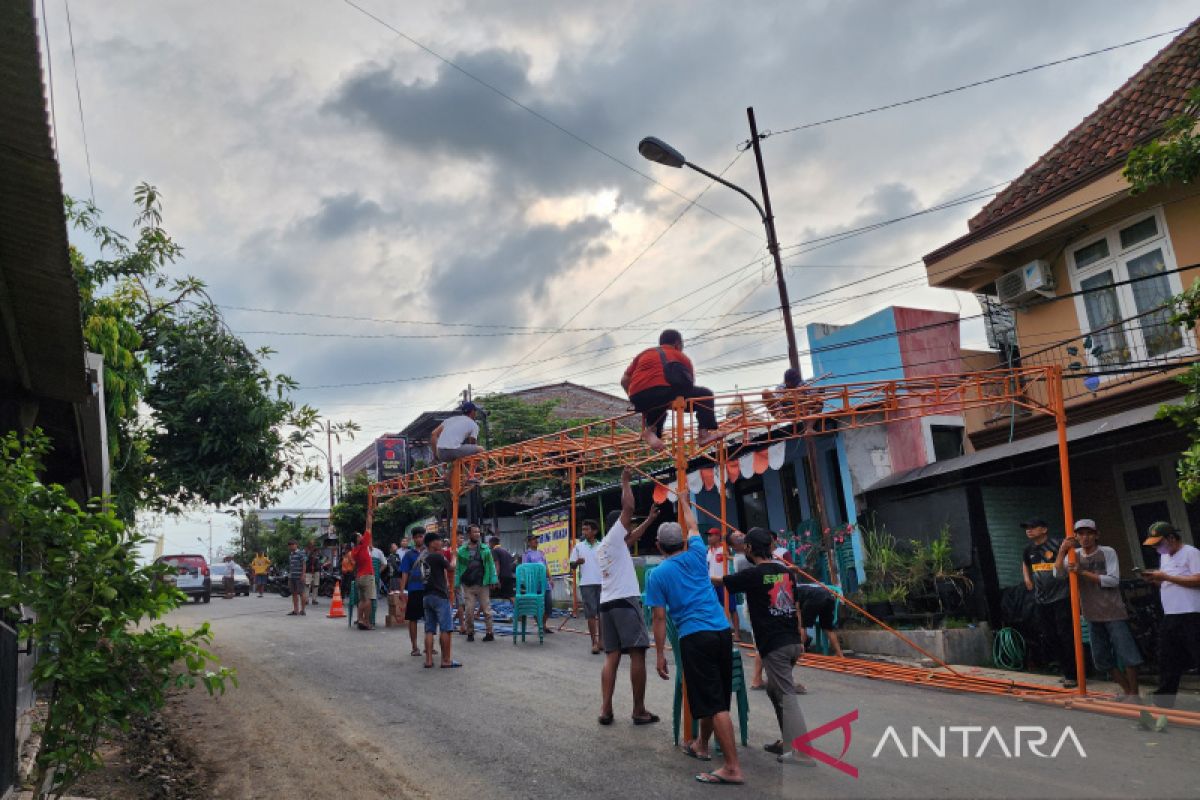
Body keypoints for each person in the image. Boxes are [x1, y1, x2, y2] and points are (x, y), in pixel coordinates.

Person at [646, 502, 743, 785]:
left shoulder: (658, 575)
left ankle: (732, 767)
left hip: (695, 636)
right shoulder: (698, 553)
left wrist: (661, 654)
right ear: (683, 542)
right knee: (717, 696)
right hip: (722, 631)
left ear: (659, 545)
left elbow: (660, 618)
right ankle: (701, 744)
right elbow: (692, 525)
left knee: (713, 702)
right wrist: (685, 501)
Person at [716, 527, 814, 766]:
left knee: (786, 695)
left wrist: (694, 572)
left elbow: (721, 581)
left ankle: (802, 752)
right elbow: (794, 602)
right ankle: (788, 741)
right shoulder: (787, 573)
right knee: (773, 689)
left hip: (775, 645)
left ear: (749, 548)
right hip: (791, 642)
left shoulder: (753, 575)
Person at [597, 467, 661, 726]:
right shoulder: (614, 536)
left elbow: (634, 535)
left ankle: (605, 709)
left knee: (612, 655)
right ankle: (638, 710)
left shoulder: (608, 546)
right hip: (624, 601)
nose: (630, 527)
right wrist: (625, 481)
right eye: (627, 525)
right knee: (637, 654)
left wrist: (649, 521)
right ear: (618, 526)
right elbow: (629, 508)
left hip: (607, 604)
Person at [1051, 519, 1142, 700]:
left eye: (1089, 533)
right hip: (1091, 614)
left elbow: (1113, 580)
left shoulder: (1107, 552)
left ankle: (1134, 693)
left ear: (1096, 535)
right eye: (1081, 534)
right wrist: (1062, 551)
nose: (1085, 537)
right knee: (1101, 659)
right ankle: (1126, 690)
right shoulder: (1074, 554)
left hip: (1113, 611)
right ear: (1075, 536)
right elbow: (1058, 574)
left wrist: (1082, 572)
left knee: (1128, 655)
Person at [620, 329, 722, 452]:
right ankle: (704, 435)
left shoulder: (644, 354)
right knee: (705, 395)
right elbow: (688, 385)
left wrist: (635, 399)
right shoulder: (681, 356)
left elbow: (624, 380)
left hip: (637, 396)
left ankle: (651, 431)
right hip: (664, 392)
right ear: (677, 344)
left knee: (658, 405)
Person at [1141, 522, 1200, 707]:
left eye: (1159, 543)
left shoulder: (1191, 552)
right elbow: (1169, 581)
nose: (1157, 548)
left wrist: (1166, 577)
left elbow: (1198, 579)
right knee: (1167, 659)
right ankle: (1163, 702)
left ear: (1171, 538)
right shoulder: (1165, 557)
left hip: (1191, 613)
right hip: (1171, 614)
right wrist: (1156, 579)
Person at [1020, 518, 1077, 688]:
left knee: (1065, 635)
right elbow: (1025, 563)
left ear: (1044, 529)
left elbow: (1071, 556)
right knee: (1050, 636)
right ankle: (1065, 670)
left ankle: (1074, 673)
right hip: (1041, 600)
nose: (1029, 530)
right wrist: (1027, 579)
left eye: (1032, 527)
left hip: (1061, 597)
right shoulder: (1028, 549)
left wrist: (1068, 545)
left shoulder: (1058, 543)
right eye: (1027, 528)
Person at [421, 532, 461, 669]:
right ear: (432, 543)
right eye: (438, 541)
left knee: (429, 629)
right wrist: (454, 557)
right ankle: (446, 660)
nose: (440, 543)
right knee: (446, 628)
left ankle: (428, 660)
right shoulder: (437, 556)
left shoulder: (424, 558)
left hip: (426, 596)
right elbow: (451, 567)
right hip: (439, 596)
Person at [456, 524, 498, 642]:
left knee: (487, 610)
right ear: (469, 534)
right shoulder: (461, 550)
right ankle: (470, 632)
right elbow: (458, 568)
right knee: (469, 610)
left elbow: (491, 565)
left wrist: (493, 579)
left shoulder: (485, 549)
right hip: (468, 585)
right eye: (474, 532)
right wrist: (456, 583)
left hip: (483, 584)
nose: (477, 534)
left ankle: (490, 633)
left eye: (478, 532)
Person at [570, 518, 604, 654]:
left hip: (602, 583)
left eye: (587, 529)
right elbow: (572, 566)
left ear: (594, 531)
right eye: (583, 529)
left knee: (602, 614)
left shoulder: (602, 545)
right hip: (586, 584)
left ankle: (602, 641)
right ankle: (594, 642)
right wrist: (577, 562)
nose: (584, 532)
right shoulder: (578, 547)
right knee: (591, 614)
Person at [707, 527, 740, 640]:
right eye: (708, 535)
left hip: (724, 582)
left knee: (732, 609)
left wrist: (726, 555)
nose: (709, 538)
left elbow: (732, 557)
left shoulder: (724, 548)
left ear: (717, 536)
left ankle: (737, 633)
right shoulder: (708, 550)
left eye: (711, 535)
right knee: (713, 608)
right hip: (712, 583)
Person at [399, 528, 428, 657]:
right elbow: (404, 573)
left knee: (430, 618)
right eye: (416, 537)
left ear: (424, 537)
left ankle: (429, 646)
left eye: (421, 536)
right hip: (414, 589)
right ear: (413, 539)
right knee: (413, 619)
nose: (418, 539)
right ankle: (414, 647)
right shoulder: (408, 555)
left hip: (428, 589)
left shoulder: (430, 552)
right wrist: (401, 591)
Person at [431, 402, 484, 467]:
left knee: (458, 458)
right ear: (472, 412)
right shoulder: (473, 424)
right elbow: (472, 443)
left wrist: (435, 455)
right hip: (453, 450)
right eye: (475, 411)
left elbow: (434, 434)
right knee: (480, 449)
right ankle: (471, 475)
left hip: (441, 453)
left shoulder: (450, 420)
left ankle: (450, 475)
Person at [522, 534, 554, 633]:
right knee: (536, 606)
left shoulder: (541, 553)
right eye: (533, 539)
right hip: (533, 584)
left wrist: (550, 578)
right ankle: (542, 626)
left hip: (544, 582)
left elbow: (545, 566)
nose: (536, 541)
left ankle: (542, 624)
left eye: (536, 539)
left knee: (549, 606)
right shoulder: (527, 554)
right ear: (529, 542)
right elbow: (525, 569)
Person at [351, 531, 376, 630]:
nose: (361, 536)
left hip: (359, 577)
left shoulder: (354, 551)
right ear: (357, 539)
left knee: (362, 600)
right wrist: (369, 515)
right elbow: (369, 528)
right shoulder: (363, 544)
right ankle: (366, 622)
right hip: (367, 576)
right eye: (359, 535)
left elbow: (355, 565)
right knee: (368, 600)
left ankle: (360, 619)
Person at [286, 540, 307, 616]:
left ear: (296, 545)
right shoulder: (291, 554)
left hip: (299, 576)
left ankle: (303, 610)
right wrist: (289, 576)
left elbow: (304, 564)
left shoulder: (301, 553)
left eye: (292, 544)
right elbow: (291, 567)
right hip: (292, 576)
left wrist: (303, 574)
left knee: (301, 593)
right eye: (290, 545)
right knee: (294, 593)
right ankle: (295, 610)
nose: (291, 546)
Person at [305, 541, 322, 607]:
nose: (312, 545)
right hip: (308, 571)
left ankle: (314, 599)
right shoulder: (307, 551)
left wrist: (320, 564)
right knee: (307, 585)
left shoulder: (317, 552)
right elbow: (306, 559)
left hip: (316, 570)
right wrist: (311, 552)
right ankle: (306, 599)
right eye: (311, 544)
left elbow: (322, 558)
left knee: (316, 585)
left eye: (313, 544)